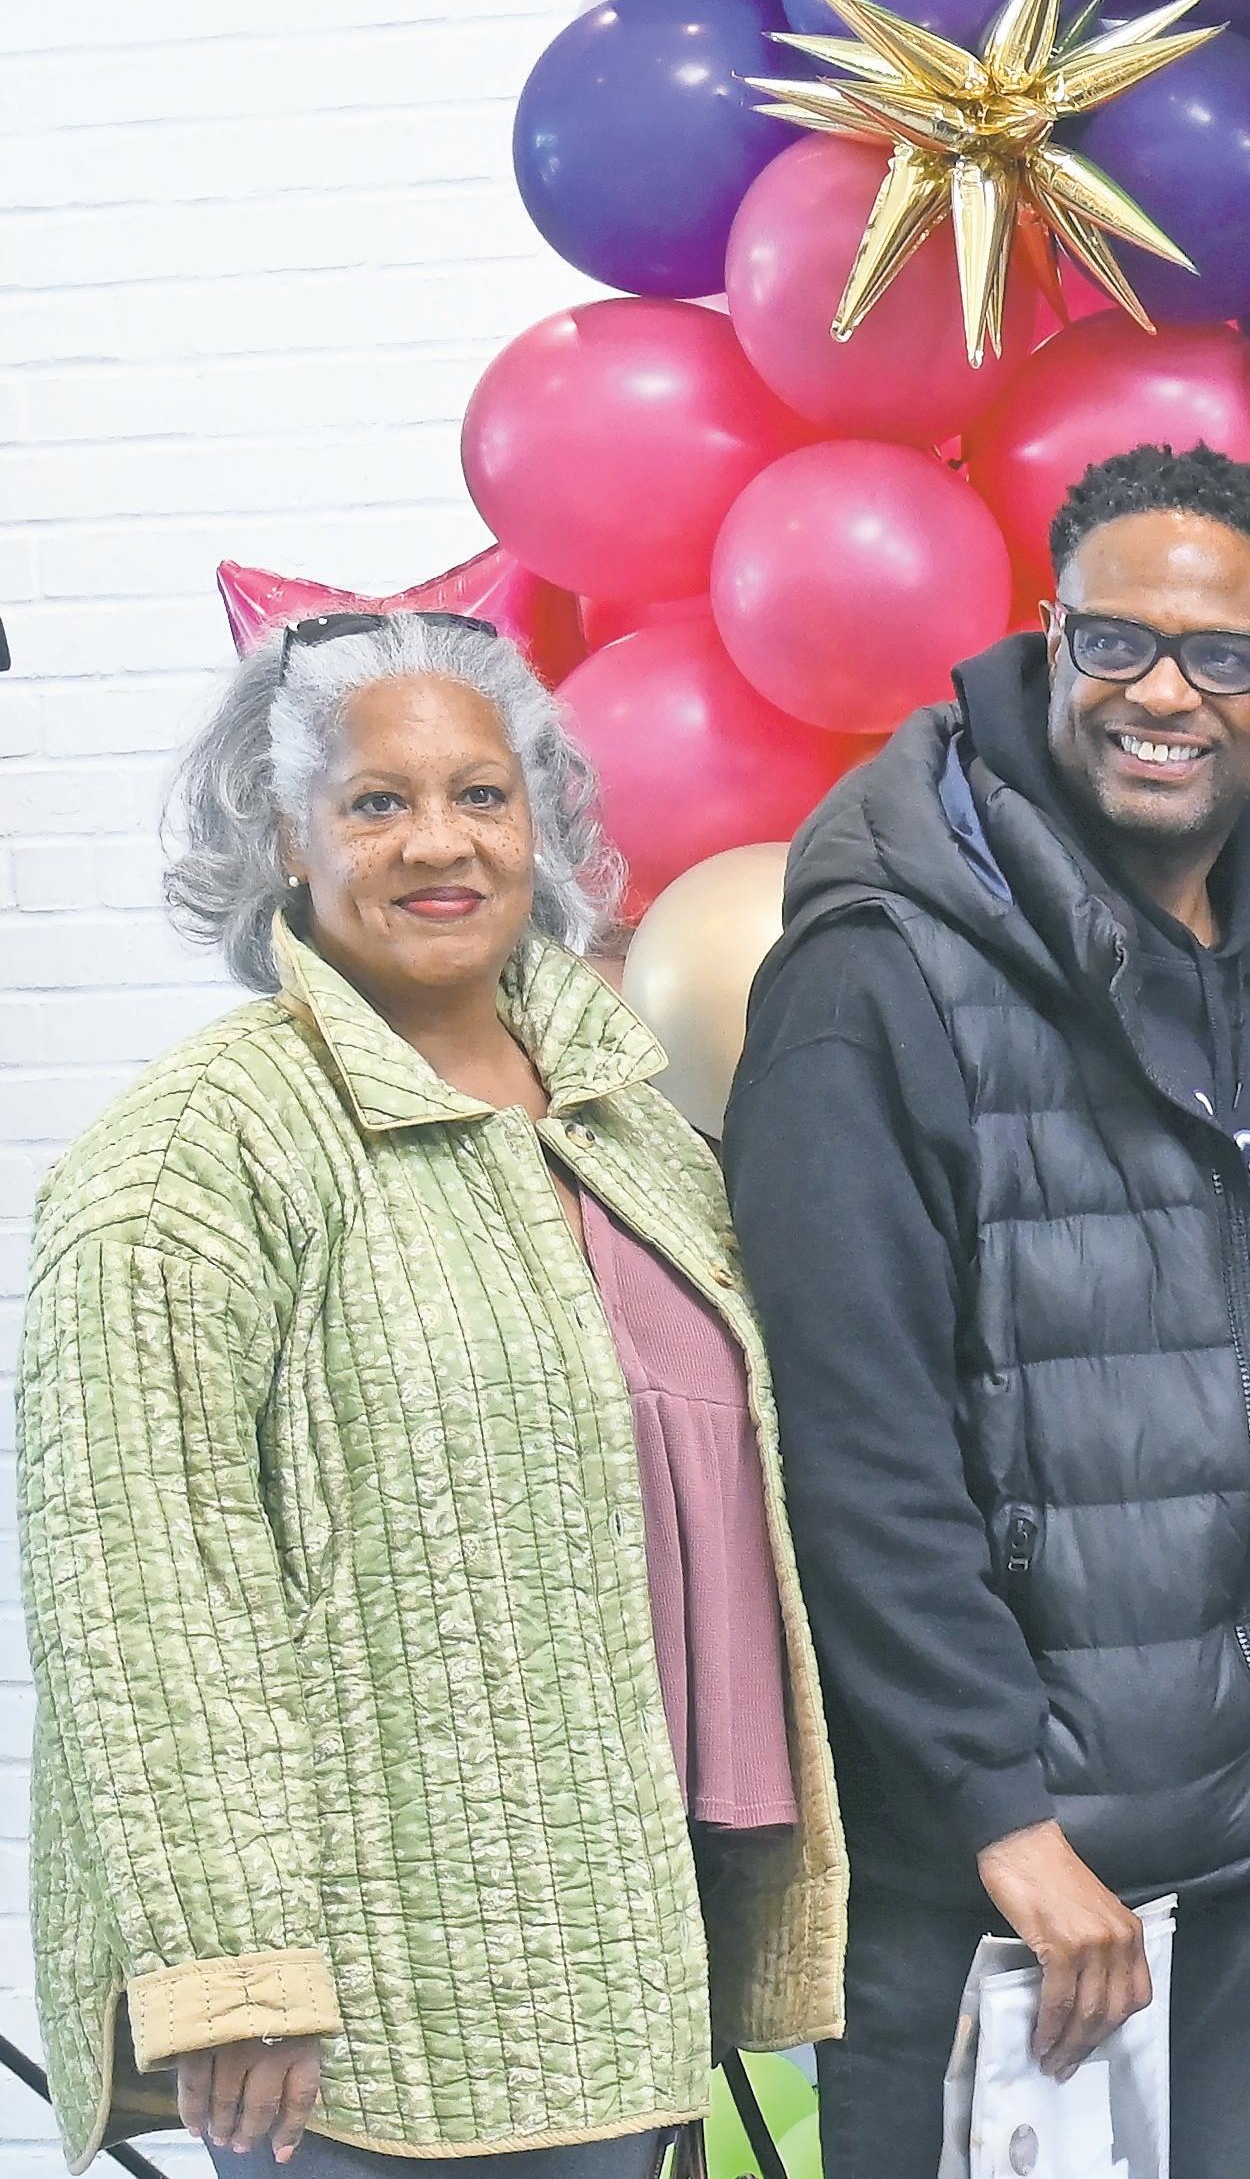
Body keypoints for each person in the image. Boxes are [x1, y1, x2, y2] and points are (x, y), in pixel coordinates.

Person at [27, 612, 843, 2174]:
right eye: (375, 802)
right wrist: (235, 1973)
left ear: (540, 823)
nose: (438, 842)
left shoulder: (631, 1126)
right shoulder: (197, 1154)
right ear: (286, 837)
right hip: (372, 1997)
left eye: (480, 794)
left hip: (632, 1943)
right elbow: (144, 1596)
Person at [730, 444, 1250, 2179]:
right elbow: (849, 1446)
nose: (1163, 693)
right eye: (1117, 641)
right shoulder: (875, 975)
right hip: (998, 1884)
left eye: (1220, 654)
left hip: (1228, 1853)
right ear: (1048, 634)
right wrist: (998, 1813)